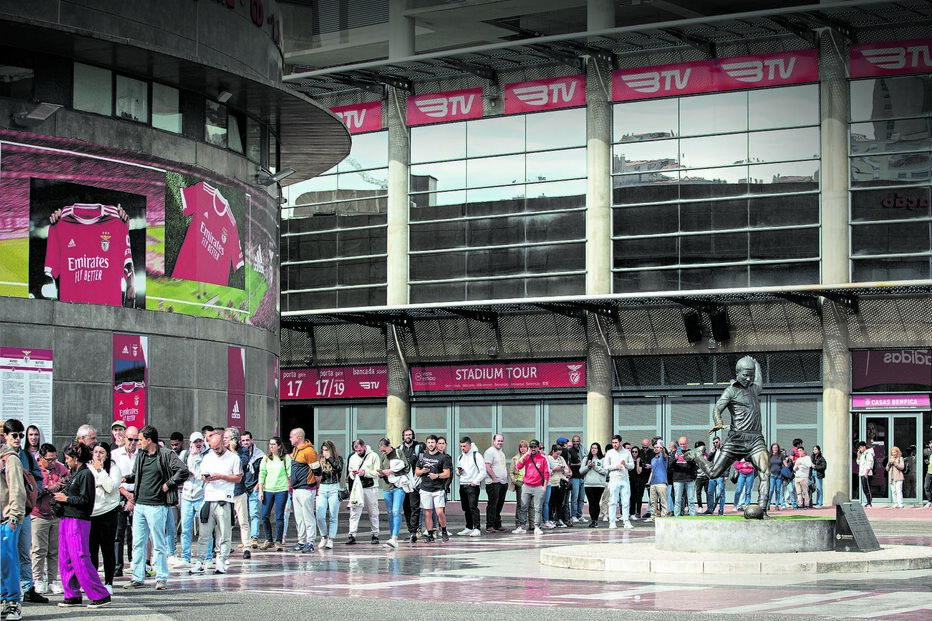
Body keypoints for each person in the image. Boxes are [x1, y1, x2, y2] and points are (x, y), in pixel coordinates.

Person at [687, 356, 771, 513]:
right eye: (745, 375)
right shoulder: (731, 391)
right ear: (737, 373)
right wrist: (718, 422)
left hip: (755, 439)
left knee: (765, 472)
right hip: (736, 440)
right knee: (713, 473)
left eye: (751, 375)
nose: (748, 379)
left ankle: (762, 509)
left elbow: (759, 378)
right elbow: (717, 408)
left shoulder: (754, 388)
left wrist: (755, 362)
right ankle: (697, 455)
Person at [122, 425, 190, 590]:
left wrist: (168, 484)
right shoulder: (141, 456)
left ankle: (161, 578)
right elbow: (137, 475)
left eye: (140, 440)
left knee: (158, 543)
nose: (138, 443)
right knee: (138, 542)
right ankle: (137, 577)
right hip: (140, 505)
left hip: (157, 506)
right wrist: (125, 478)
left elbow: (183, 471)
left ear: (149, 440)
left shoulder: (166, 454)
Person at [53, 443, 111, 609]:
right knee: (66, 559)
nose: (66, 461)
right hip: (67, 518)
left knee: (80, 557)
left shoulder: (85, 474)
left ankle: (100, 595)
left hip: (78, 520)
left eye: (68, 458)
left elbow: (86, 500)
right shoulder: (76, 474)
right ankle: (72, 594)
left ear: (76, 458)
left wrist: (67, 499)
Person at [4, 419, 47, 605]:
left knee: (24, 552)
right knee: (7, 555)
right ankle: (8, 594)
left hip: (25, 510)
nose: (18, 439)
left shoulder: (27, 456)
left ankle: (28, 588)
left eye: (21, 435)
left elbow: (38, 476)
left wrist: (32, 491)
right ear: (5, 436)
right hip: (7, 514)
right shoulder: (4, 457)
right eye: (15, 435)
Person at [190, 430, 241, 575]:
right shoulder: (207, 457)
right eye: (212, 448)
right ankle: (200, 562)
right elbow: (201, 475)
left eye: (217, 448)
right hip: (209, 498)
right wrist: (206, 478)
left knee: (225, 534)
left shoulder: (233, 458)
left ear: (223, 444)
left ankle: (221, 560)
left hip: (225, 498)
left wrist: (222, 476)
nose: (215, 450)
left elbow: (238, 478)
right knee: (204, 534)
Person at [31, 443, 68, 596]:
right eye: (49, 460)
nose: (53, 463)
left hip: (55, 514)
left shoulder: (59, 468)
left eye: (54, 459)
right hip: (38, 514)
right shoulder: (35, 469)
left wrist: (64, 485)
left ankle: (53, 580)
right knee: (39, 550)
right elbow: (32, 492)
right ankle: (38, 580)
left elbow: (68, 479)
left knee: (54, 550)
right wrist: (49, 488)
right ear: (41, 458)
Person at [88, 442, 121, 594]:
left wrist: (100, 471)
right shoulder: (88, 468)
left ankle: (108, 582)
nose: (98, 455)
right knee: (91, 550)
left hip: (108, 513)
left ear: (107, 454)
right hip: (91, 514)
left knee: (107, 549)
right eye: (95, 452)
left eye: (101, 452)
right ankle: (93, 582)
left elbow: (109, 487)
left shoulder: (113, 469)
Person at [1, 430, 27, 620]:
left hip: (6, 520)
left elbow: (17, 490)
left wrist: (14, 517)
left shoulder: (10, 460)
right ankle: (4, 600)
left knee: (8, 562)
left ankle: (13, 603)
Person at [174, 431, 206, 568]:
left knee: (205, 528)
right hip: (187, 495)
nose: (198, 444)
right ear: (190, 443)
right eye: (195, 442)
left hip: (201, 495)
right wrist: (185, 474)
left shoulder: (207, 455)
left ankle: (206, 557)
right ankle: (185, 557)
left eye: (200, 441)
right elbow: (177, 470)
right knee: (186, 529)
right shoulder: (184, 455)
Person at [231, 429, 264, 557]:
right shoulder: (237, 451)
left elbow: (260, 471)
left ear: (252, 440)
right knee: (239, 517)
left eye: (247, 440)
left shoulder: (258, 455)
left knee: (253, 514)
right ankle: (245, 540)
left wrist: (258, 486)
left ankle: (253, 538)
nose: (245, 442)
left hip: (253, 487)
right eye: (243, 440)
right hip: (242, 487)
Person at [111, 425, 138, 577]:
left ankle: (137, 564)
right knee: (118, 532)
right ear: (124, 438)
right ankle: (117, 566)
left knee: (137, 532)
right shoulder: (115, 454)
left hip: (137, 495)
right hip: (120, 493)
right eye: (130, 439)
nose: (133, 442)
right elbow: (113, 479)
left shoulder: (141, 455)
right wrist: (126, 495)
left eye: (136, 439)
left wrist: (132, 498)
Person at [377, 439, 415, 549]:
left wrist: (392, 471)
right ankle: (391, 537)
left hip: (399, 486)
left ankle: (394, 537)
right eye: (381, 451)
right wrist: (382, 473)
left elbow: (407, 468)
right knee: (389, 512)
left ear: (389, 446)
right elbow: (383, 469)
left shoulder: (399, 453)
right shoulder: (383, 457)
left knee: (396, 511)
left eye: (384, 450)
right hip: (387, 486)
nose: (383, 452)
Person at [415, 435, 451, 543]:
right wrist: (423, 471)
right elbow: (417, 472)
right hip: (425, 488)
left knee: (439, 512)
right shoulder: (422, 456)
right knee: (427, 512)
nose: (431, 444)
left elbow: (447, 473)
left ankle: (443, 530)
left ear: (436, 443)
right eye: (429, 442)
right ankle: (430, 533)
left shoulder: (442, 457)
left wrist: (437, 475)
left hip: (438, 488)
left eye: (433, 442)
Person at [287, 428, 319, 552]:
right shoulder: (295, 450)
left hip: (306, 488)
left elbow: (317, 470)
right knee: (299, 518)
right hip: (296, 489)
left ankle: (310, 542)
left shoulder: (309, 451)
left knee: (308, 516)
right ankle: (301, 541)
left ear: (298, 437)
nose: (289, 439)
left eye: (291, 436)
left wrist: (317, 486)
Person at [259, 436, 291, 551]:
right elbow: (262, 474)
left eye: (273, 444)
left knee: (279, 515)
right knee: (265, 515)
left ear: (279, 446)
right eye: (270, 444)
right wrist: (260, 490)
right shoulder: (266, 458)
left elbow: (289, 473)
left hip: (281, 489)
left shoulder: (285, 458)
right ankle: (269, 539)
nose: (271, 446)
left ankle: (278, 540)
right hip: (268, 489)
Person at [346, 438, 381, 545]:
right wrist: (353, 473)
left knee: (373, 511)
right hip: (358, 488)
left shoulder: (374, 456)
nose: (358, 453)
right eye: (356, 451)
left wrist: (364, 472)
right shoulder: (352, 457)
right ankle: (352, 534)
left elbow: (378, 472)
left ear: (364, 447)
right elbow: (350, 473)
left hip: (370, 487)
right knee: (354, 511)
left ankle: (375, 534)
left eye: (360, 451)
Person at [512, 439, 549, 535]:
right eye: (531, 447)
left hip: (538, 486)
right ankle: (522, 526)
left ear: (538, 448)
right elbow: (519, 466)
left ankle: (537, 526)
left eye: (535, 447)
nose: (533, 449)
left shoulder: (543, 458)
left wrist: (544, 487)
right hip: (527, 485)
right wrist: (526, 454)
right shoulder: (527, 457)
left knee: (537, 508)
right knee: (523, 507)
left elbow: (546, 473)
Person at [398, 429, 425, 543]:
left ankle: (414, 531)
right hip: (403, 482)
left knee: (415, 507)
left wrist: (417, 477)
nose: (408, 436)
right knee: (406, 507)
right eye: (406, 435)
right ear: (403, 437)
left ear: (413, 436)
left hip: (414, 481)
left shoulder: (419, 448)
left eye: (410, 435)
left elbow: (422, 461)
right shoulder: (398, 449)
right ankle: (410, 530)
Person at [603, 435, 634, 529]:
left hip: (625, 479)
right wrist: (615, 466)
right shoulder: (610, 453)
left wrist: (626, 464)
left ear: (620, 442)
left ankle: (626, 521)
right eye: (613, 443)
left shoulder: (627, 453)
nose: (614, 444)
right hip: (614, 479)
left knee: (625, 501)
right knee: (612, 501)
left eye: (616, 442)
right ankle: (612, 522)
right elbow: (605, 466)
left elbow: (632, 466)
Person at [456, 437, 484, 536]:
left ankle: (477, 528)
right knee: (466, 507)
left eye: (464, 446)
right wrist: (459, 472)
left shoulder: (477, 456)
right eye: (461, 446)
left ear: (470, 445)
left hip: (472, 485)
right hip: (462, 484)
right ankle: (469, 526)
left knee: (473, 506)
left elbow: (483, 472)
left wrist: (475, 482)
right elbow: (457, 471)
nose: (463, 448)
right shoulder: (460, 457)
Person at [482, 434, 508, 533]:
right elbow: (487, 466)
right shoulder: (489, 452)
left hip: (502, 482)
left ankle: (497, 524)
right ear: (493, 441)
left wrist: (506, 479)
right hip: (493, 483)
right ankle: (490, 525)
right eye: (498, 441)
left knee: (499, 504)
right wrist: (494, 478)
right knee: (493, 504)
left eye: (501, 441)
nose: (500, 443)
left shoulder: (501, 453)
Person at [579, 442, 606, 527]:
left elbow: (605, 471)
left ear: (598, 449)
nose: (594, 450)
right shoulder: (586, 459)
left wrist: (595, 467)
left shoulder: (603, 459)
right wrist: (588, 466)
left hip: (599, 484)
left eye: (595, 448)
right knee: (591, 502)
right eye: (592, 448)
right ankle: (592, 519)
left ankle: (596, 520)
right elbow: (581, 471)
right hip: (589, 484)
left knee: (596, 502)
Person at [546, 444, 570, 529]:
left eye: (559, 454)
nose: (558, 456)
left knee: (560, 502)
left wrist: (563, 470)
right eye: (557, 454)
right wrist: (554, 469)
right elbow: (547, 470)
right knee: (551, 502)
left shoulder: (561, 459)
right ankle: (551, 519)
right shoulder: (548, 459)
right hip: (552, 483)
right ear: (553, 452)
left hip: (561, 483)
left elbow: (567, 470)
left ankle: (559, 519)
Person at [646, 440, 670, 522]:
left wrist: (662, 447)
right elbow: (652, 471)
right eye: (655, 447)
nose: (656, 449)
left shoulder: (663, 457)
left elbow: (664, 454)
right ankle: (653, 516)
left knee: (663, 501)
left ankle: (664, 516)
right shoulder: (653, 459)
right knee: (653, 501)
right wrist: (649, 482)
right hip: (653, 483)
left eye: (658, 447)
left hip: (661, 482)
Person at [704, 436, 726, 515]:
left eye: (717, 442)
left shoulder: (724, 451)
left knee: (721, 493)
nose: (715, 444)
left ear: (720, 441)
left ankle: (721, 510)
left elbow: (727, 463)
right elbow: (709, 460)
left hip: (721, 474)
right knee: (710, 492)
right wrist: (711, 452)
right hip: (713, 474)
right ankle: (710, 509)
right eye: (714, 443)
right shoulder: (715, 450)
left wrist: (726, 475)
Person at [509, 440, 528, 529]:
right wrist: (514, 480)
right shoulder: (515, 458)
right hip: (519, 483)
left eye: (524, 447)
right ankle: (518, 523)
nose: (522, 449)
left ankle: (531, 523)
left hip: (529, 482)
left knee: (531, 505)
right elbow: (511, 472)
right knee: (520, 504)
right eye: (521, 447)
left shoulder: (530, 457)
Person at [566, 435, 585, 523]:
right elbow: (568, 464)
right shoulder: (570, 451)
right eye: (574, 441)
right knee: (575, 497)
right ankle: (573, 515)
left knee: (581, 498)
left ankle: (579, 515)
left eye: (577, 441)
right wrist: (577, 465)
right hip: (574, 477)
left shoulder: (583, 450)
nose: (575, 443)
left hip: (582, 476)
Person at [628, 446, 646, 520]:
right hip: (630, 481)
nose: (634, 453)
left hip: (639, 481)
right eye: (633, 452)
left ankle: (638, 513)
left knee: (639, 497)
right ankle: (631, 513)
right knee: (631, 498)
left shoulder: (640, 460)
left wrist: (638, 463)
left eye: (636, 452)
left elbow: (639, 472)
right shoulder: (629, 460)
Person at [857, 440, 874, 507]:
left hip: (867, 473)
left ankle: (869, 502)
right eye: (859, 448)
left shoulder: (868, 453)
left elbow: (870, 463)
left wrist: (866, 473)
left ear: (864, 447)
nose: (860, 449)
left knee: (867, 488)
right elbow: (858, 463)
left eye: (860, 447)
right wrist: (858, 455)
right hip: (862, 473)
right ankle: (868, 501)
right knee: (864, 488)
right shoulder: (862, 454)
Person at [768, 443, 784, 511]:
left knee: (778, 490)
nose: (775, 449)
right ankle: (768, 504)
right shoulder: (769, 455)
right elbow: (766, 464)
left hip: (779, 475)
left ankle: (777, 505)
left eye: (776, 447)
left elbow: (785, 464)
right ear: (772, 448)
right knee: (771, 490)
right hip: (772, 475)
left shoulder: (781, 456)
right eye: (774, 448)